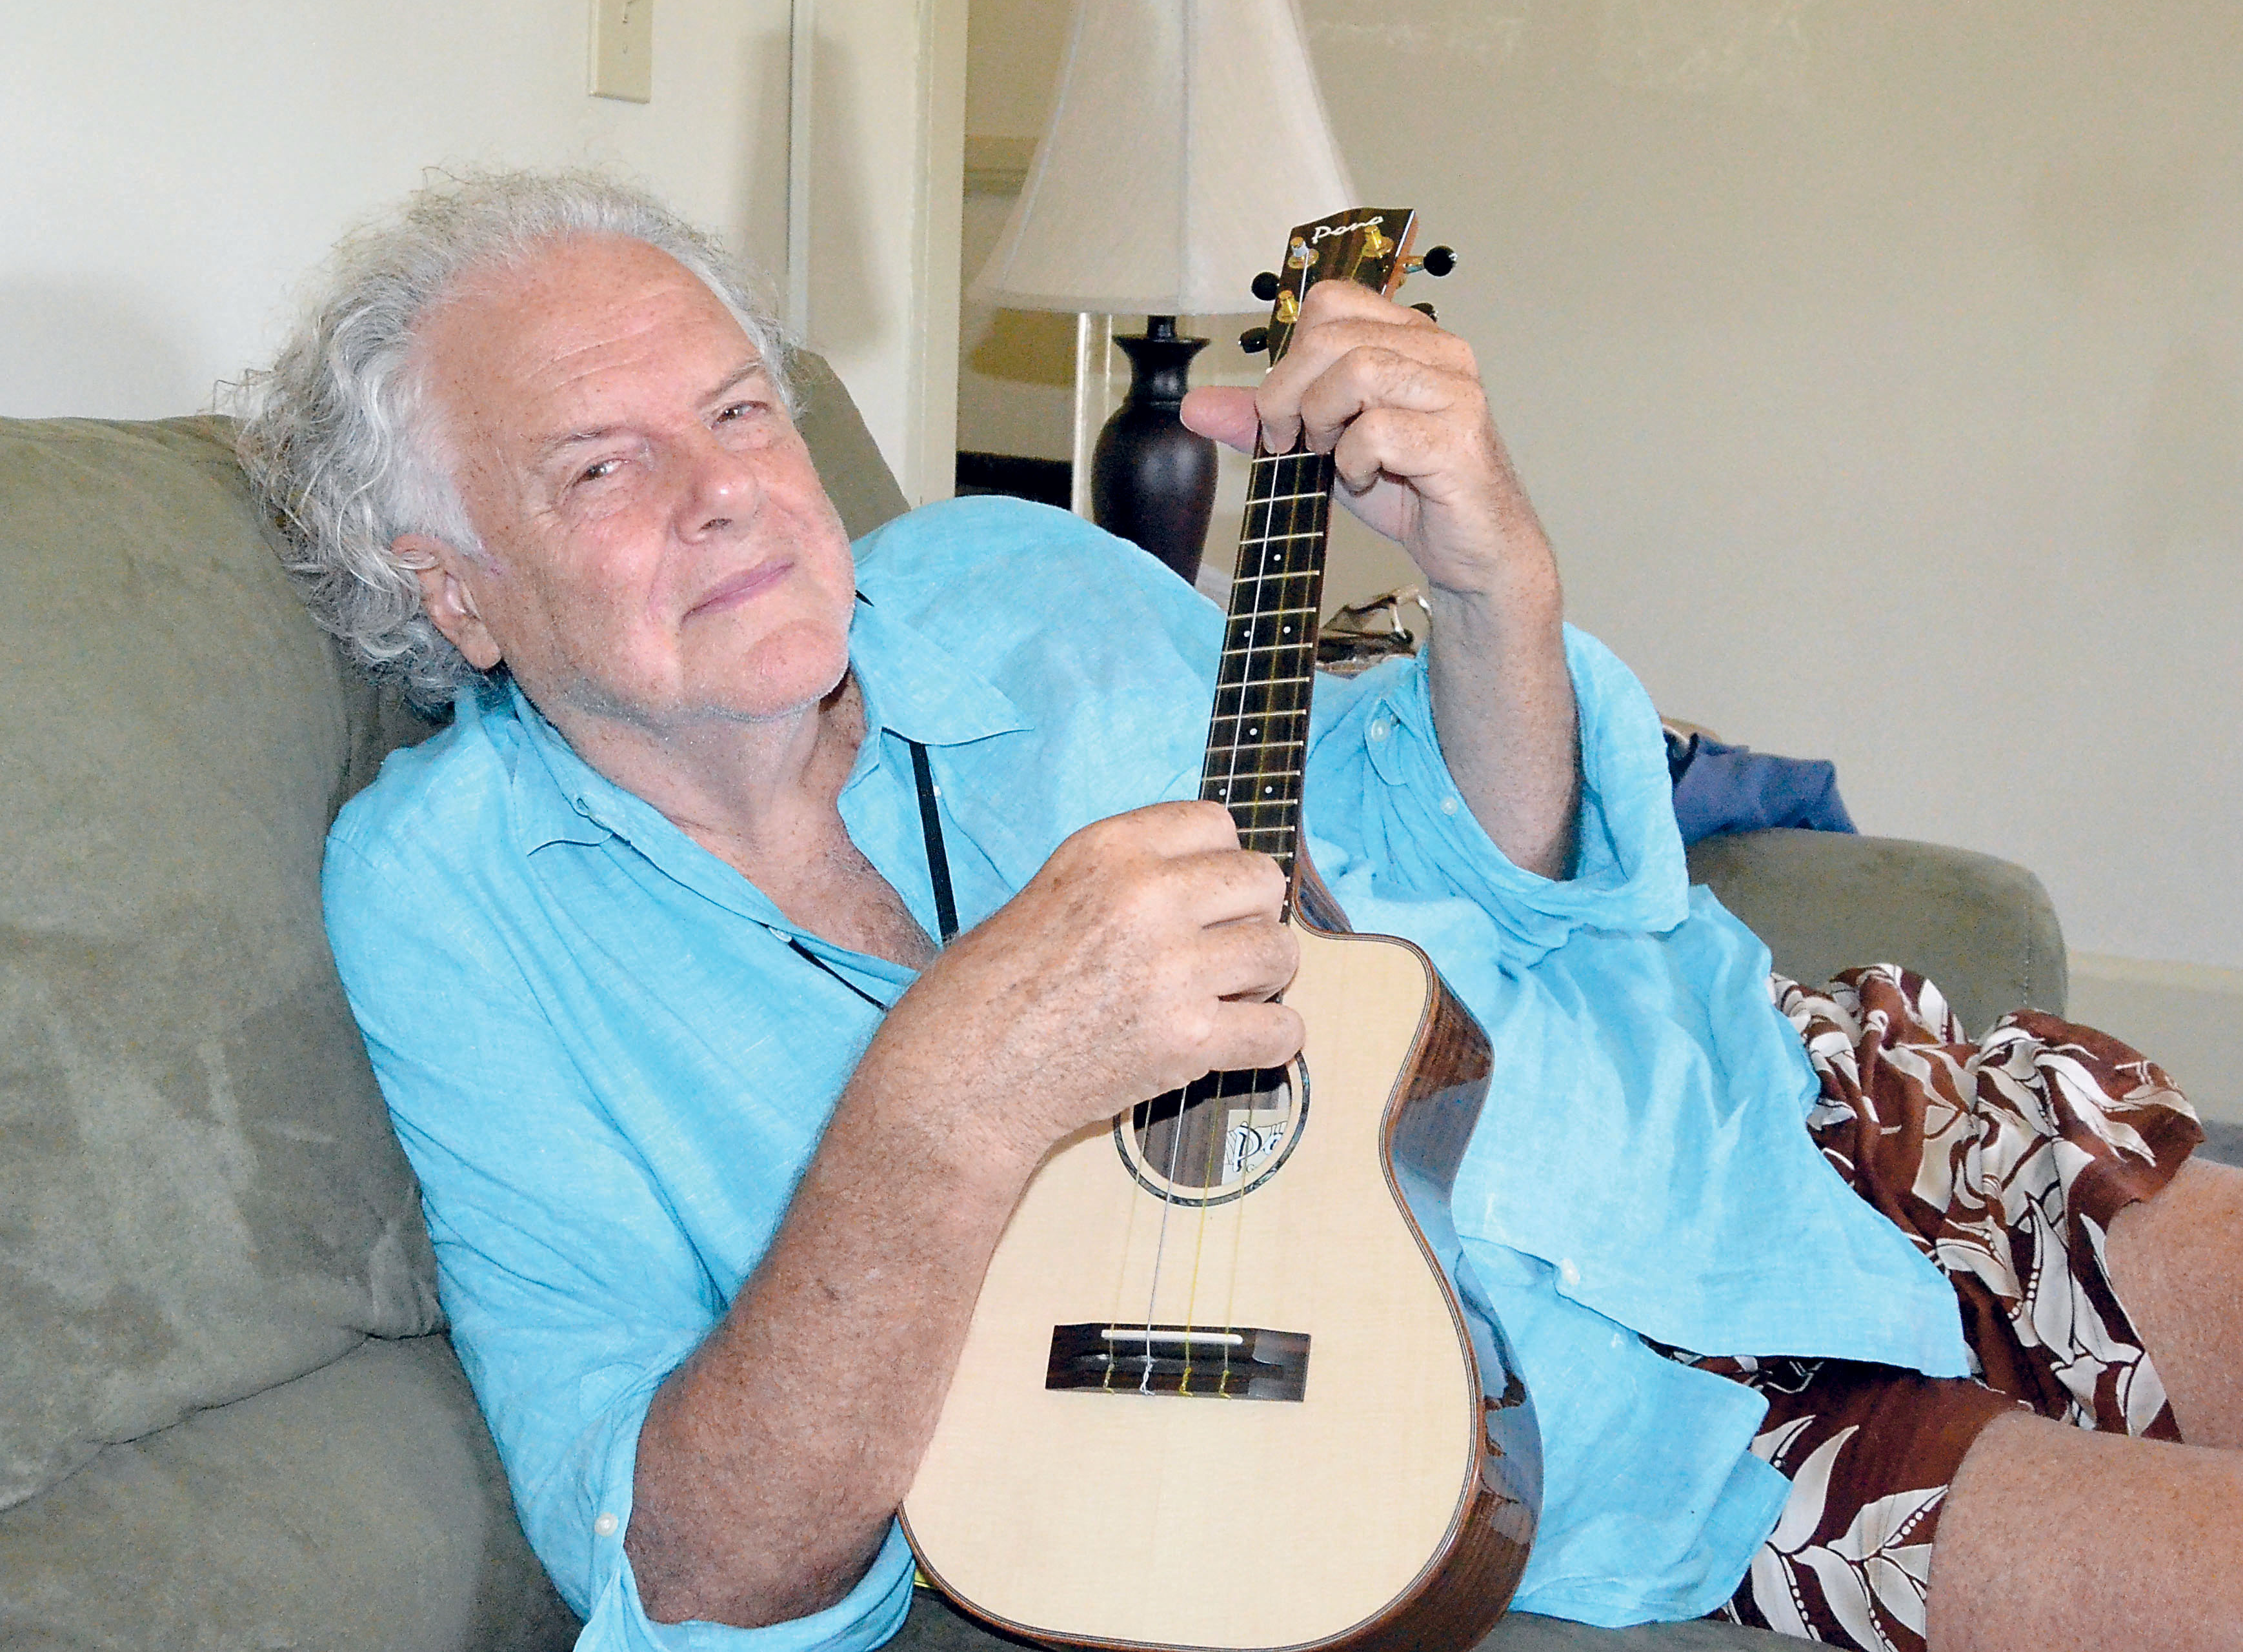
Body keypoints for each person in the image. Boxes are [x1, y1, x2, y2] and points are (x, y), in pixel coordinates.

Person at [237, 170, 2243, 1652]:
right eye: (603, 462)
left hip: (1777, 1117)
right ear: (455, 593)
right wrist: (946, 1097)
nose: (727, 491)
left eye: (742, 411)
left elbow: (1466, 874)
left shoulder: (1010, 575)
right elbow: (676, 1564)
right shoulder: (449, 906)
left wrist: (1496, 597)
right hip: (1614, 1448)